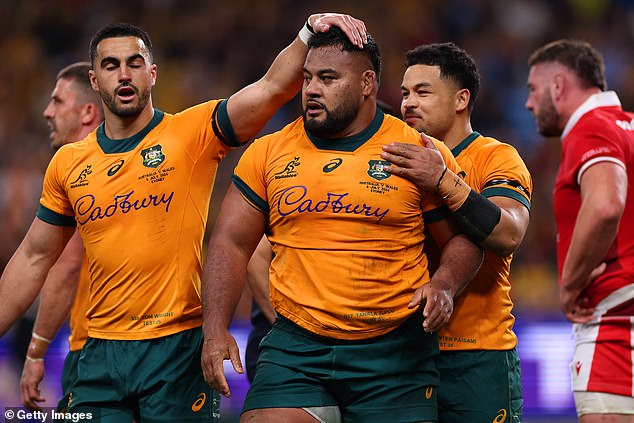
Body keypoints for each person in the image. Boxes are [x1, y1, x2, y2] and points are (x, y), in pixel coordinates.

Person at [0, 15, 367, 422]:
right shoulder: (68, 163)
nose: (124, 74)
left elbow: (271, 88)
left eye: (135, 63)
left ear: (153, 74)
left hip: (177, 350)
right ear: (94, 80)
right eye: (111, 65)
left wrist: (307, 32)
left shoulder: (192, 132)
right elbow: (33, 257)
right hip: (98, 354)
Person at [201, 27, 484, 423]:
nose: (312, 90)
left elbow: (465, 240)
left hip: (394, 352)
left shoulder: (415, 151)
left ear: (367, 82)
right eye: (307, 78)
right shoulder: (270, 150)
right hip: (297, 347)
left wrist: (444, 285)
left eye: (328, 78)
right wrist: (215, 329)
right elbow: (230, 241)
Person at [380, 42, 532, 422]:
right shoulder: (389, 159)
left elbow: (508, 233)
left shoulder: (495, 156)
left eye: (423, 91)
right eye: (404, 93)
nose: (408, 103)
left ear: (462, 98)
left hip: (477, 354)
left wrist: (442, 180)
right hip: (401, 353)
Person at [525, 39, 634, 422]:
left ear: (558, 86)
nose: (528, 103)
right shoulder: (629, 126)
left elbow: (606, 205)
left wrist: (569, 284)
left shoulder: (590, 126)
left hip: (616, 323)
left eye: (533, 89)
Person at [18, 62, 103, 413]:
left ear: (88, 112)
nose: (46, 111)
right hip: (164, 346)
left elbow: (66, 263)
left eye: (57, 101)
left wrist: (36, 349)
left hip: (97, 349)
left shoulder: (84, 170)